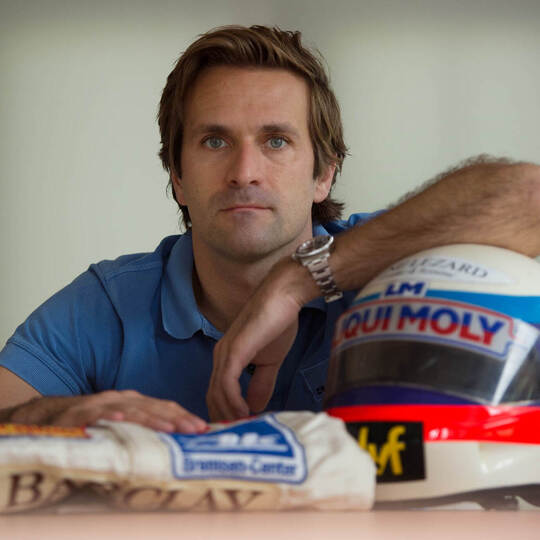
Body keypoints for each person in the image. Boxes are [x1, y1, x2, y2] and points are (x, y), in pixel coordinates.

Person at [1, 25, 539, 433]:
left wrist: (299, 281)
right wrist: (61, 417)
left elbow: (530, 196)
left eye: (276, 141)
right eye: (215, 141)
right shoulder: (109, 305)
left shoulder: (391, 258)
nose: (244, 172)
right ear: (178, 177)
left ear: (324, 174)